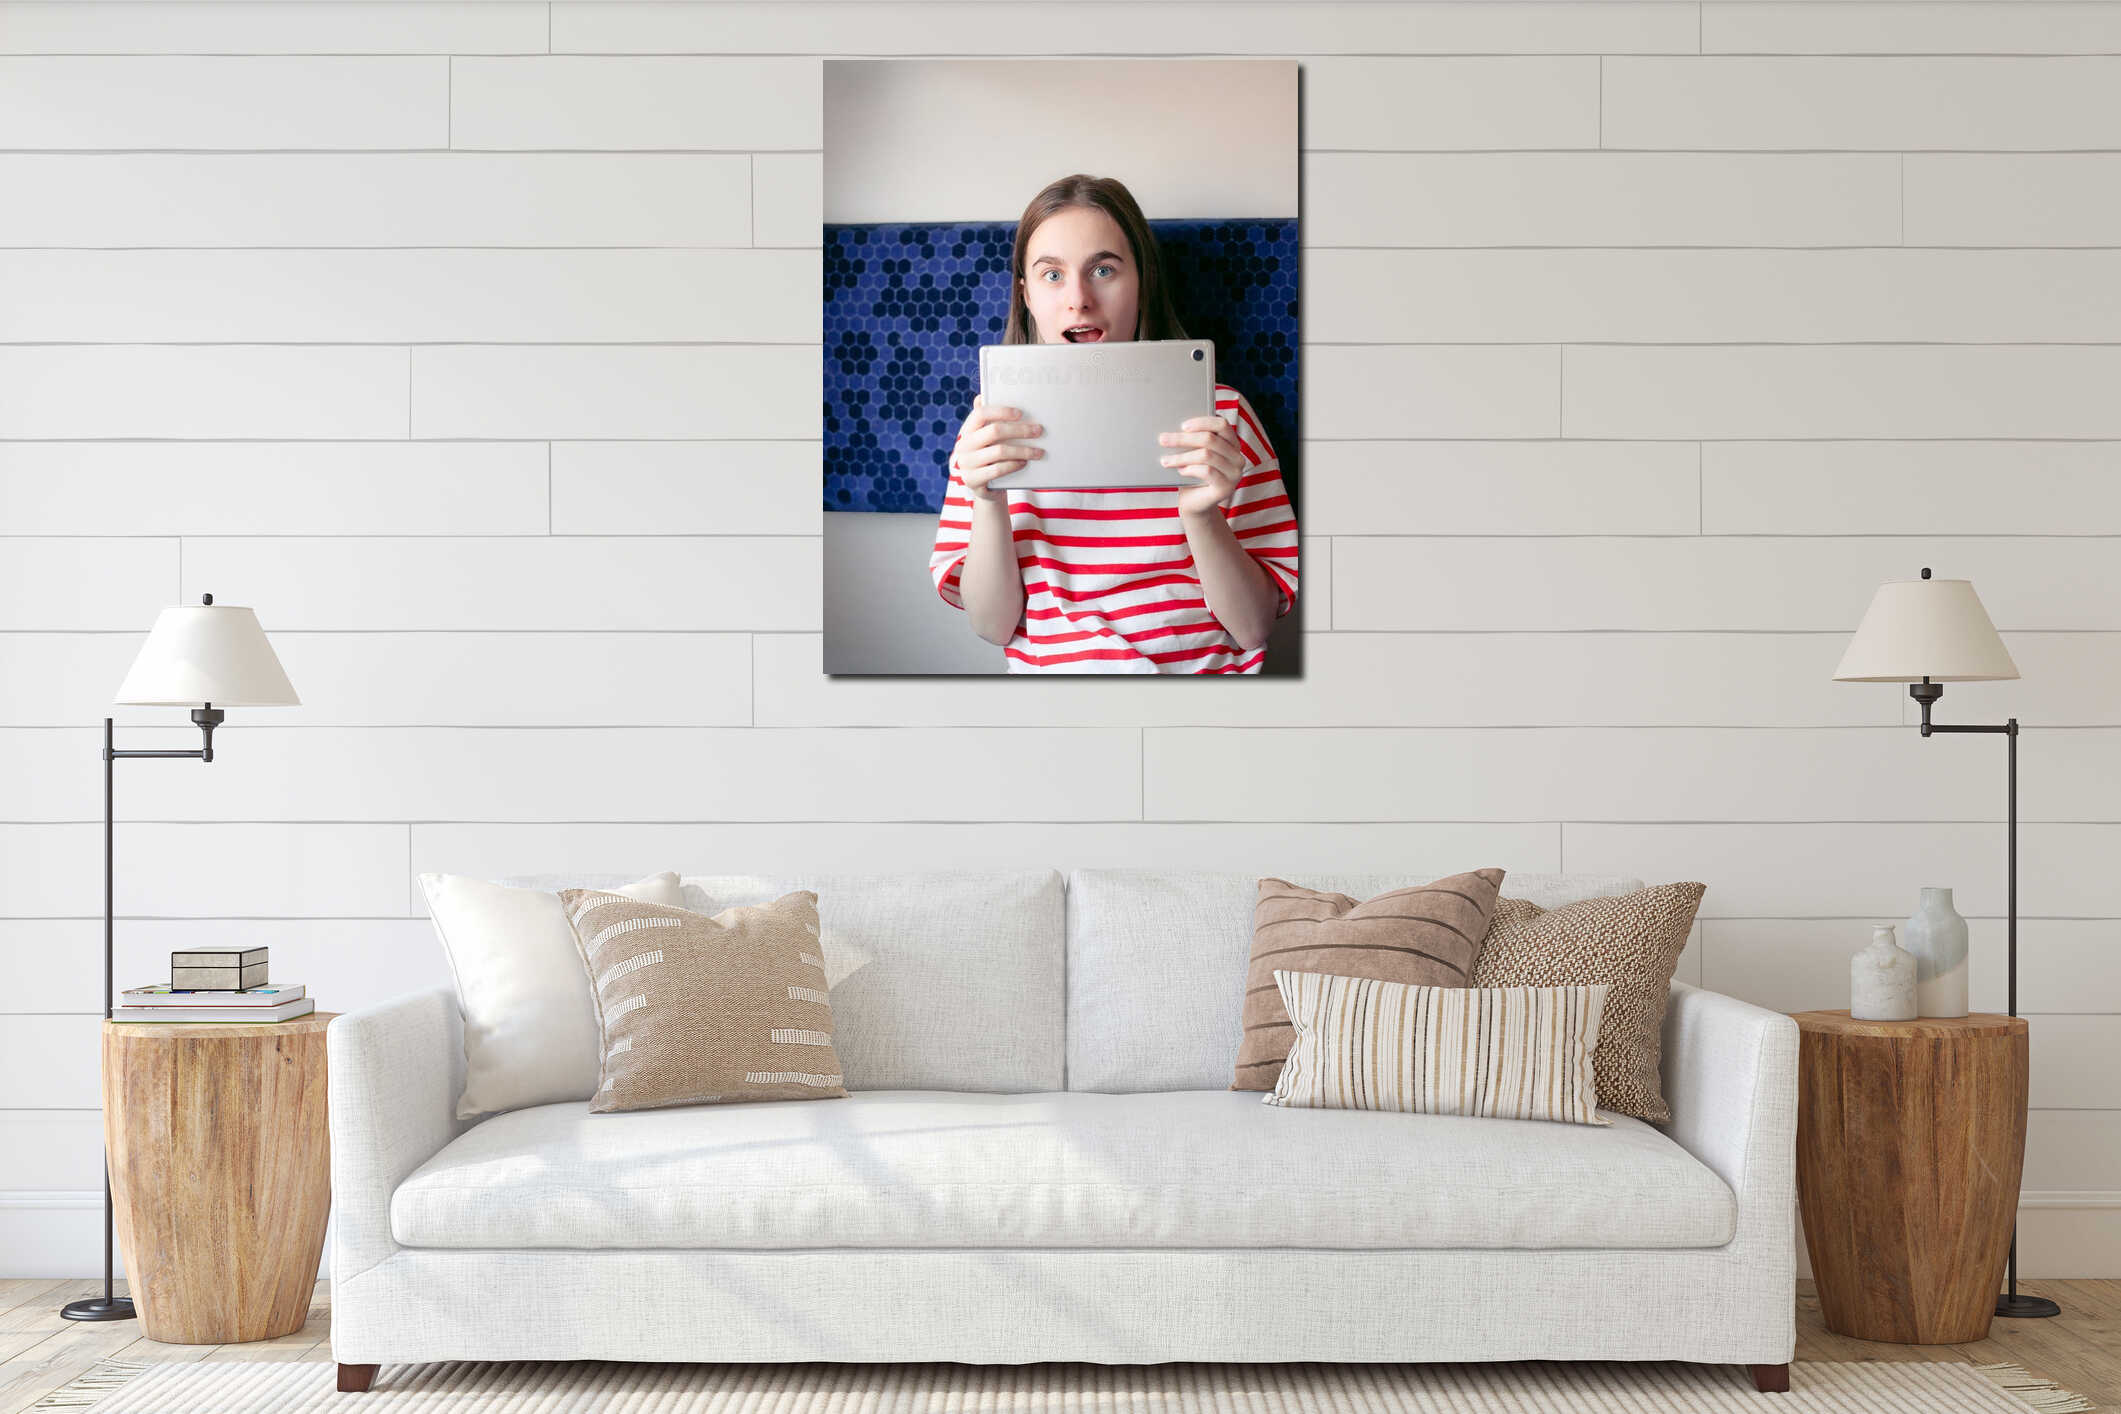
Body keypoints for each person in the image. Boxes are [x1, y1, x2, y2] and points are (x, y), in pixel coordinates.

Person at [927, 175, 1298, 674]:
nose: (1078, 298)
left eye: (1103, 269)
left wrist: (1201, 515)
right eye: (1052, 275)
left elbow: (1254, 627)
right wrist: (988, 499)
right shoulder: (988, 433)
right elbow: (993, 627)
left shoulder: (1222, 417)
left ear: (1142, 282)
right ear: (1028, 296)